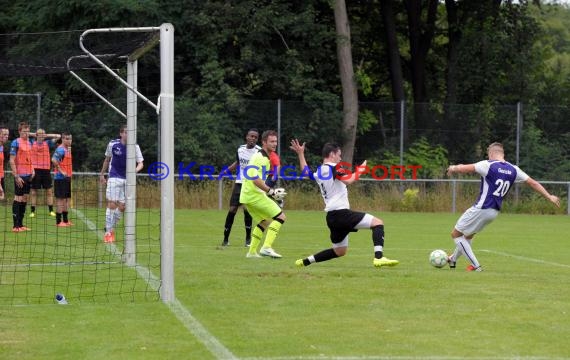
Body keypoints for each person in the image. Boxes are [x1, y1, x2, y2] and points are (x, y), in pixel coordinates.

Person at [446, 142, 560, 271]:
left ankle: (476, 265)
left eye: (488, 155)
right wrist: (549, 196)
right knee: (468, 236)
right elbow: (532, 183)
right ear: (502, 153)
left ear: (491, 153)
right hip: (493, 212)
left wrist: (453, 167)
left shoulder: (488, 165)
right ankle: (452, 259)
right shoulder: (514, 169)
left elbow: (463, 169)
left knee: (456, 234)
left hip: (481, 208)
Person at [289, 139, 399, 268]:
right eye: (339, 155)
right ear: (332, 154)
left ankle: (304, 262)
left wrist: (301, 154)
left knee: (339, 251)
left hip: (331, 217)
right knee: (378, 223)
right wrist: (360, 170)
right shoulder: (335, 167)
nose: (340, 158)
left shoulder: (320, 170)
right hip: (341, 214)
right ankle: (379, 258)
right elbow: (348, 180)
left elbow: (306, 173)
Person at [241, 130, 286, 259]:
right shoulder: (260, 158)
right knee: (281, 217)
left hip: (248, 196)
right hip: (254, 195)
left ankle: (251, 252)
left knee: (264, 221)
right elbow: (255, 180)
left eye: (276, 141)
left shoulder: (264, 157)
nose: (274, 144)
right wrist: (271, 191)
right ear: (264, 142)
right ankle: (266, 247)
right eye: (271, 141)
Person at [99, 125, 144, 243]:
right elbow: (107, 160)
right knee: (112, 204)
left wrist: (133, 171)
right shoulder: (112, 144)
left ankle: (110, 226)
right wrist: (102, 174)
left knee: (123, 207)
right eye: (126, 132)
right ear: (121, 133)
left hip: (127, 180)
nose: (128, 135)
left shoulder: (135, 146)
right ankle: (108, 233)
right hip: (113, 177)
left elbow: (141, 163)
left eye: (130, 133)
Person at [221, 128, 261, 247]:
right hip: (239, 183)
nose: (253, 139)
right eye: (251, 136)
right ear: (247, 137)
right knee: (232, 209)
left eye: (255, 137)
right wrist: (226, 171)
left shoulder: (259, 152)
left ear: (257, 139)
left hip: (251, 184)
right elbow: (238, 163)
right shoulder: (240, 149)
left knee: (246, 209)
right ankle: (225, 239)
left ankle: (248, 239)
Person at [29, 129, 61, 218]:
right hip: (35, 170)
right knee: (34, 192)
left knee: (49, 191)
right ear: (36, 135)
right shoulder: (32, 142)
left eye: (43, 134)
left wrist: (46, 135)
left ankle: (51, 211)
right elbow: (26, 134)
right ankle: (32, 211)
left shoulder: (48, 143)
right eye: (40, 134)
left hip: (46, 170)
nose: (42, 136)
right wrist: (35, 134)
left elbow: (58, 136)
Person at [9, 122, 34, 232]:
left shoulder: (29, 142)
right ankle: (15, 226)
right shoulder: (15, 142)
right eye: (24, 132)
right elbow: (11, 160)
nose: (26, 134)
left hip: (29, 176)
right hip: (20, 176)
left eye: (28, 132)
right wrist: (16, 176)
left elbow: (30, 158)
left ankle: (21, 224)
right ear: (19, 131)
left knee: (24, 199)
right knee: (18, 198)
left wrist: (32, 169)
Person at [51, 133, 73, 227]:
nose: (69, 141)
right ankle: (58, 221)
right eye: (67, 139)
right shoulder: (60, 149)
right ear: (63, 139)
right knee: (60, 200)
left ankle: (66, 220)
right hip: (60, 178)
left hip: (67, 178)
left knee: (66, 199)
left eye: (70, 139)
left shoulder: (67, 149)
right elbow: (53, 160)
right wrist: (61, 171)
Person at [0, 125, 9, 201]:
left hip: (1, 176)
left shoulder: (2, 147)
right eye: (4, 134)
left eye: (7, 135)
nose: (7, 136)